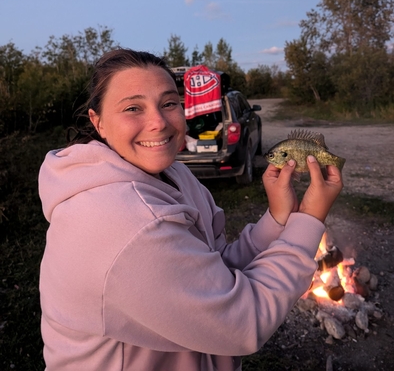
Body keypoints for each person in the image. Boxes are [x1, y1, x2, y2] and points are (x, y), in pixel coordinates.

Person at [38, 48, 343, 371]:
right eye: (132, 108)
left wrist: (279, 218)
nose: (158, 122)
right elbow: (243, 321)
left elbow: (212, 270)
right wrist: (308, 221)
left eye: (169, 103)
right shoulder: (126, 224)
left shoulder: (176, 175)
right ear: (97, 122)